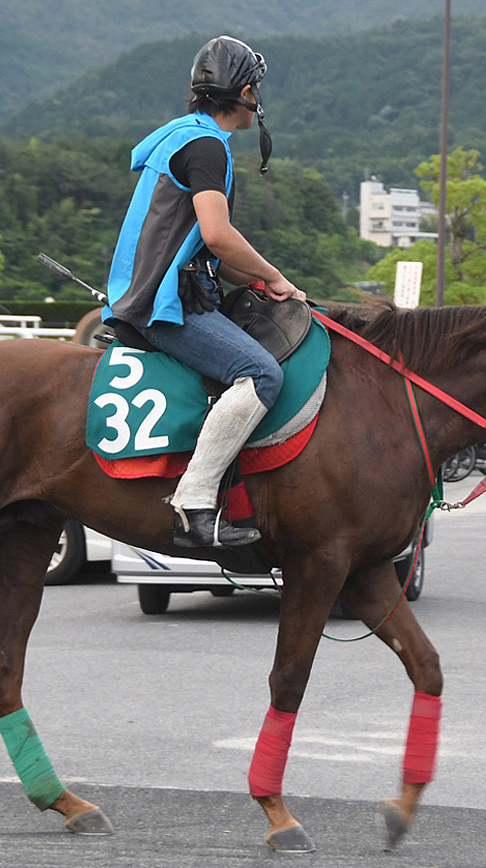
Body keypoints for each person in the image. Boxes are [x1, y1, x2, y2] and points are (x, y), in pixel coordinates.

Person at [105, 35, 306, 549]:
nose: (258, 100)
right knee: (261, 372)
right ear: (244, 92)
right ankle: (194, 503)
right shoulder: (208, 147)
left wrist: (263, 280)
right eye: (256, 90)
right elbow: (217, 234)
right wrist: (276, 275)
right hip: (163, 302)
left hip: (160, 290)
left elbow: (209, 253)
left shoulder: (181, 136)